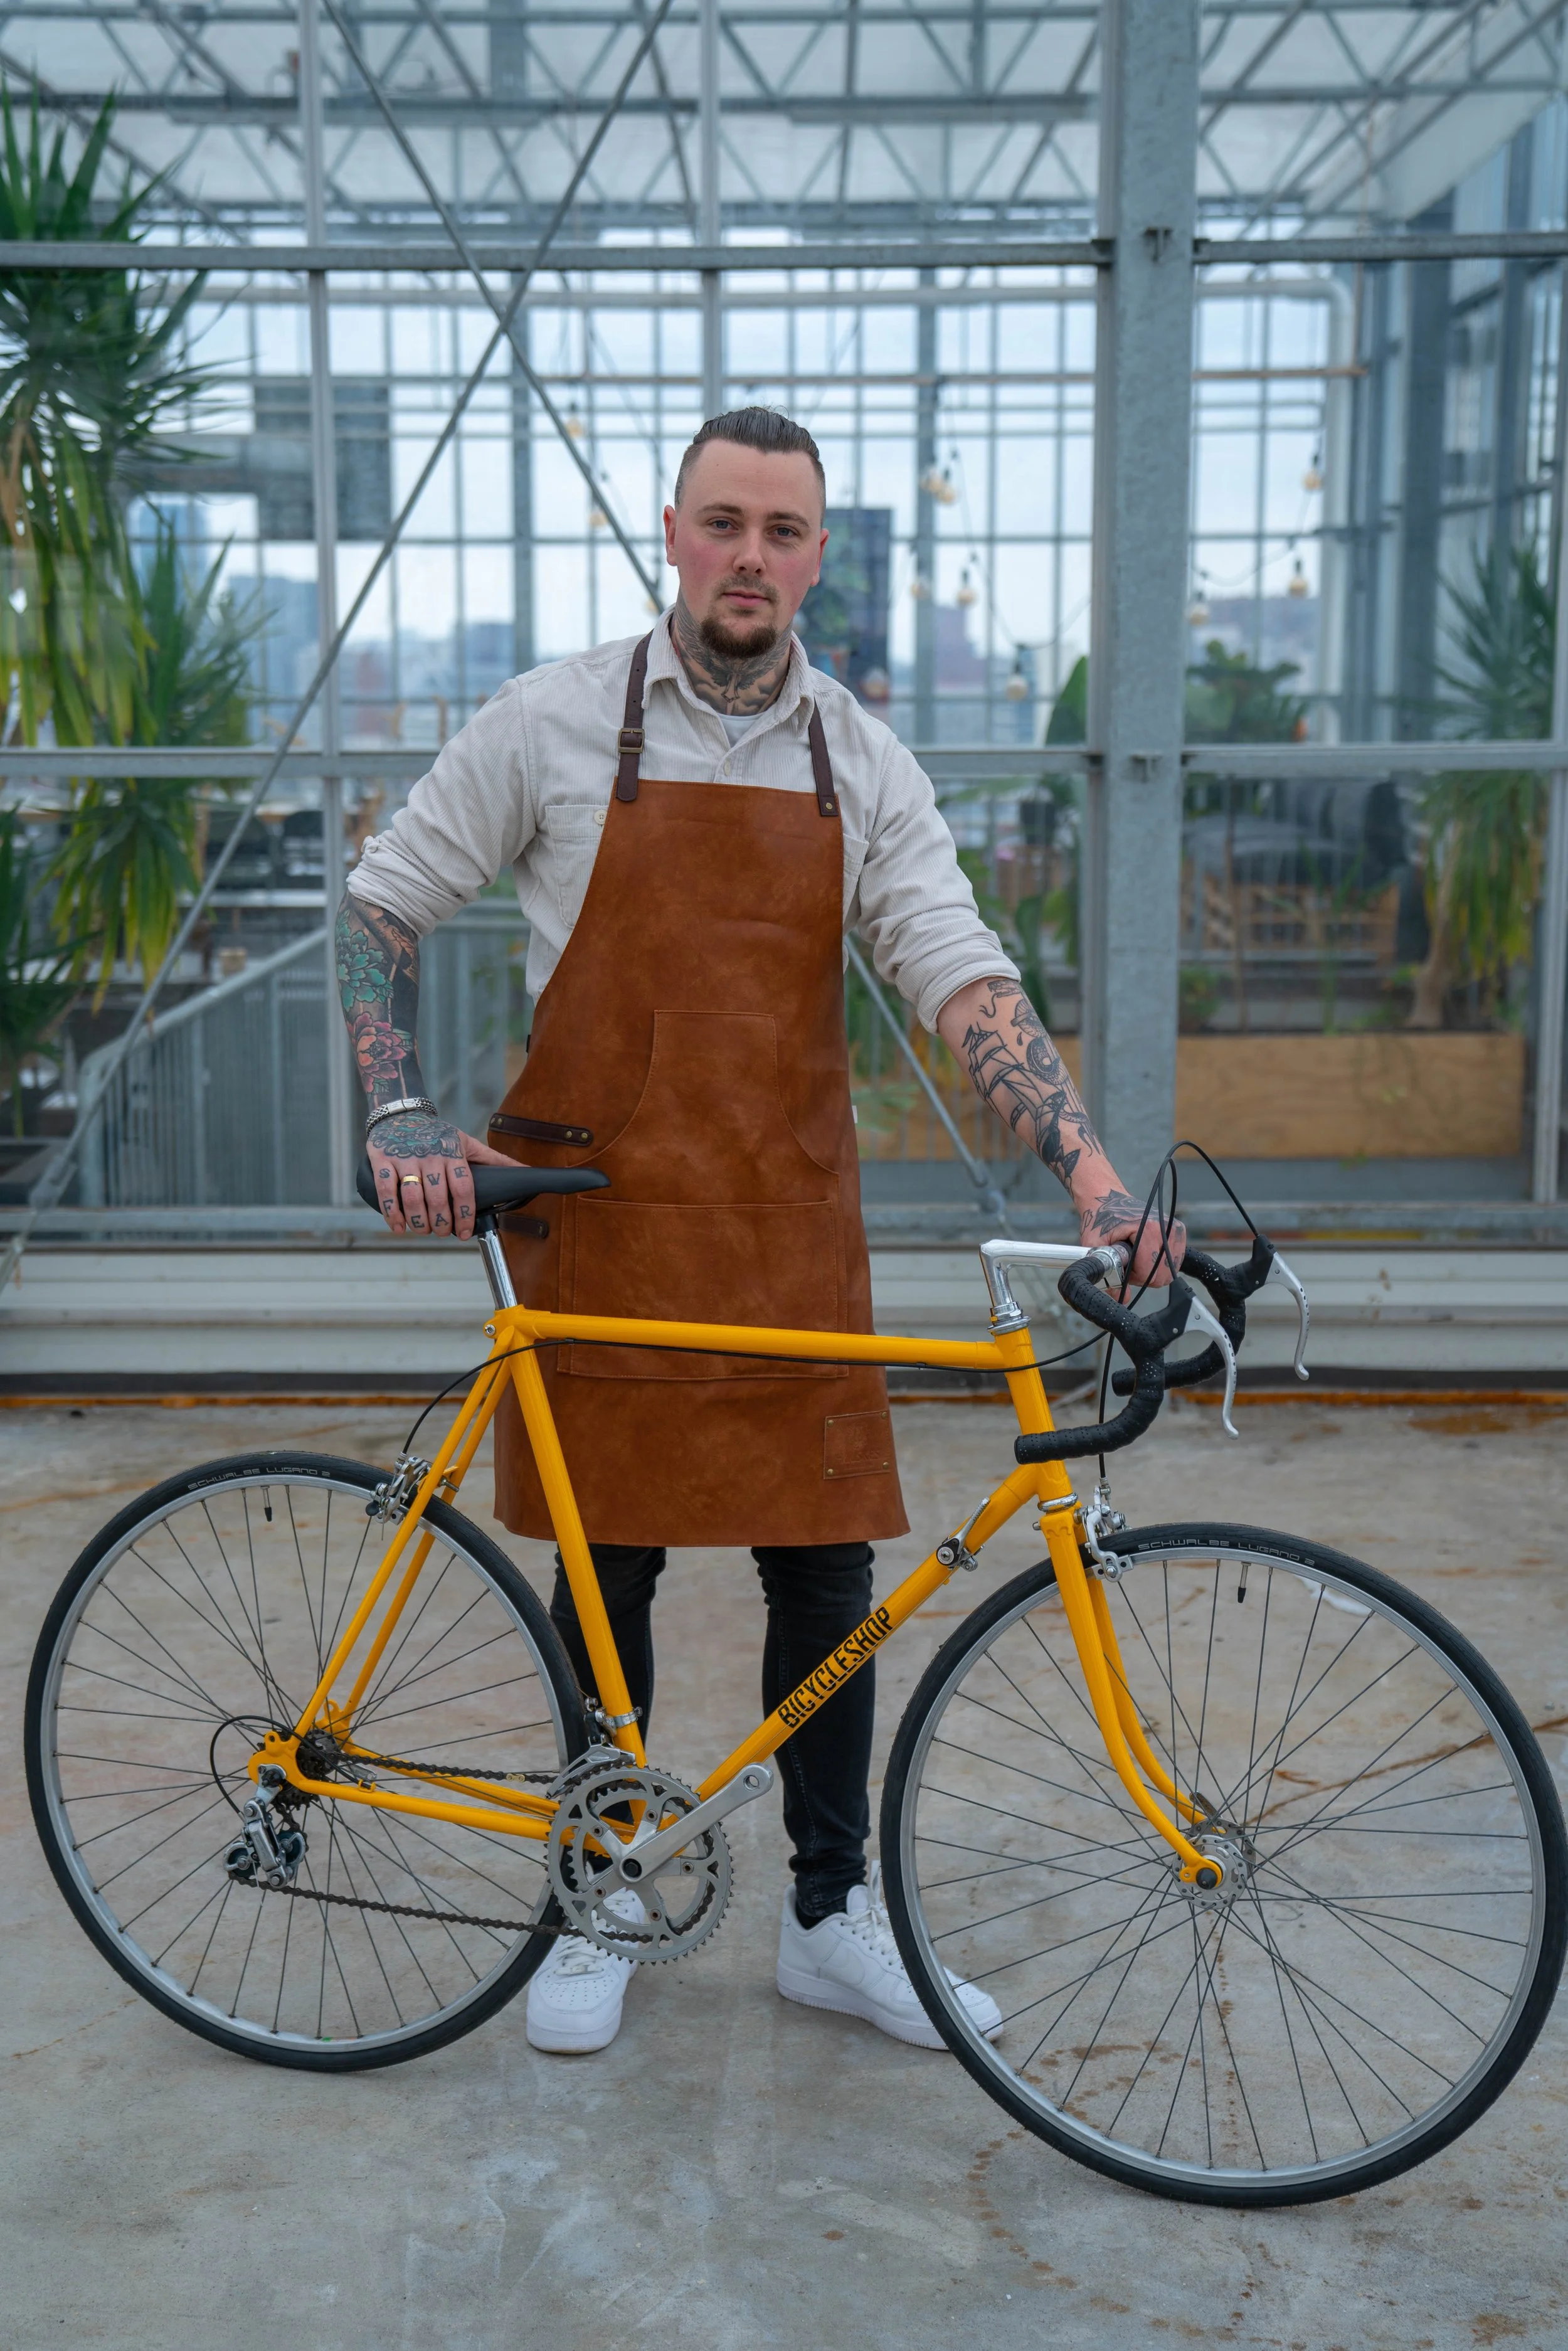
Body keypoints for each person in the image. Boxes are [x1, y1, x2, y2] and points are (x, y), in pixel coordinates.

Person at [337, 406, 1183, 2057]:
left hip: (787, 1211)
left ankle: (826, 1913)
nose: (749, 556)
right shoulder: (555, 722)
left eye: (782, 531)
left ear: (813, 555)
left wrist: (1085, 1163)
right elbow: (382, 898)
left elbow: (957, 964)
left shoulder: (852, 757)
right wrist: (396, 1111)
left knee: (826, 1566)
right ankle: (601, 1886)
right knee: (614, 1566)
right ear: (673, 531)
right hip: (601, 1212)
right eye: (722, 522)